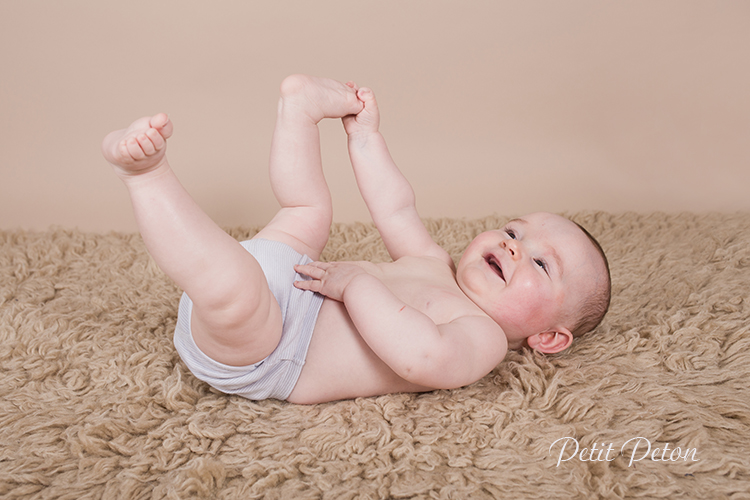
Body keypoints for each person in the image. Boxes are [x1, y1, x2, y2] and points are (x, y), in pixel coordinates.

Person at [102, 75, 610, 404]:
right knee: (308, 209)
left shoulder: (485, 338)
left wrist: (355, 286)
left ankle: (146, 177)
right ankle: (298, 109)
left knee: (232, 288)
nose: (515, 245)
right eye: (514, 230)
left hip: (272, 347)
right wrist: (365, 137)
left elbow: (422, 356)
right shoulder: (432, 260)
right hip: (290, 272)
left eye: (543, 265)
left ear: (549, 338)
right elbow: (394, 205)